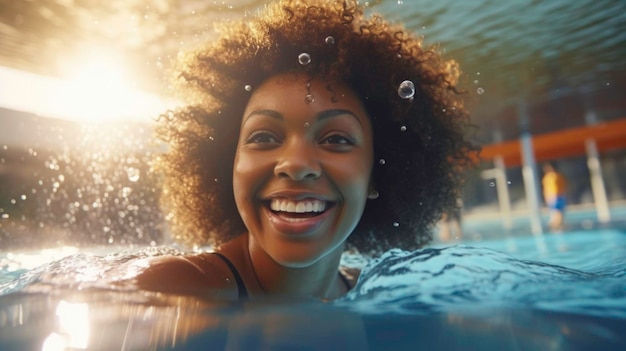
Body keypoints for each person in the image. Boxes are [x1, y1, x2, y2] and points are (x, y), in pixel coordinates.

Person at [134, 0, 477, 301]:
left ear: (378, 173)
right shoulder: (174, 290)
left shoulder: (373, 293)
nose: (296, 165)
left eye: (336, 140)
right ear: (230, 162)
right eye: (264, 137)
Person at [542, 162, 567, 231]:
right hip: (553, 196)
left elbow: (559, 187)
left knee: (557, 212)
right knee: (556, 212)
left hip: (556, 196)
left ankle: (557, 226)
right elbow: (546, 189)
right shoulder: (548, 177)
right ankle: (558, 226)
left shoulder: (555, 176)